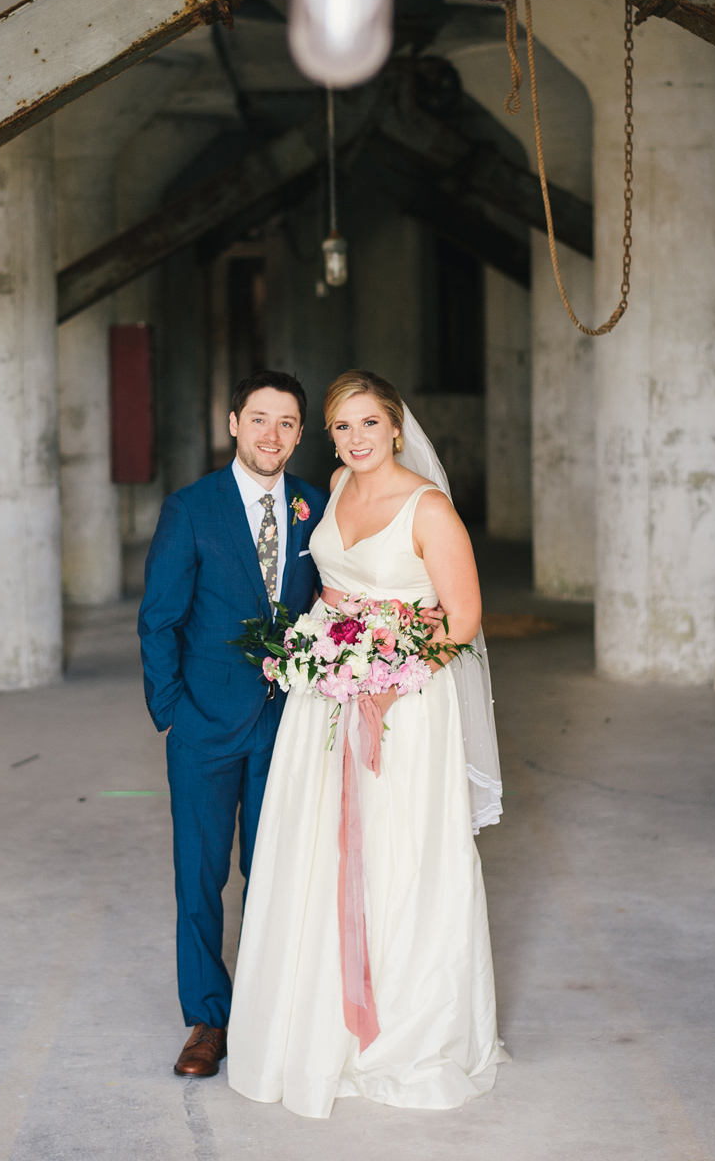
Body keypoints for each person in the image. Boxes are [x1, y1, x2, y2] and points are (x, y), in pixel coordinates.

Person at [227, 369, 507, 1117]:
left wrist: (390, 678)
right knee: (316, 852)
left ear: (395, 426)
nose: (355, 440)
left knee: (396, 855)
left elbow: (464, 617)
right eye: (341, 428)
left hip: (405, 706)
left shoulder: (430, 508)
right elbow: (329, 590)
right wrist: (319, 656)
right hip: (326, 692)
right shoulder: (335, 491)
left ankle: (404, 1027)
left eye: (368, 425)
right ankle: (317, 1018)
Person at [138, 370, 328, 1079]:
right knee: (201, 875)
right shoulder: (191, 509)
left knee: (277, 872)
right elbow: (159, 619)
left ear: (299, 433)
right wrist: (173, 714)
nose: (271, 434)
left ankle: (269, 1010)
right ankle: (207, 1020)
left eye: (285, 423)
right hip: (205, 725)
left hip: (292, 723)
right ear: (233, 423)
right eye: (258, 419)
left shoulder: (318, 503)